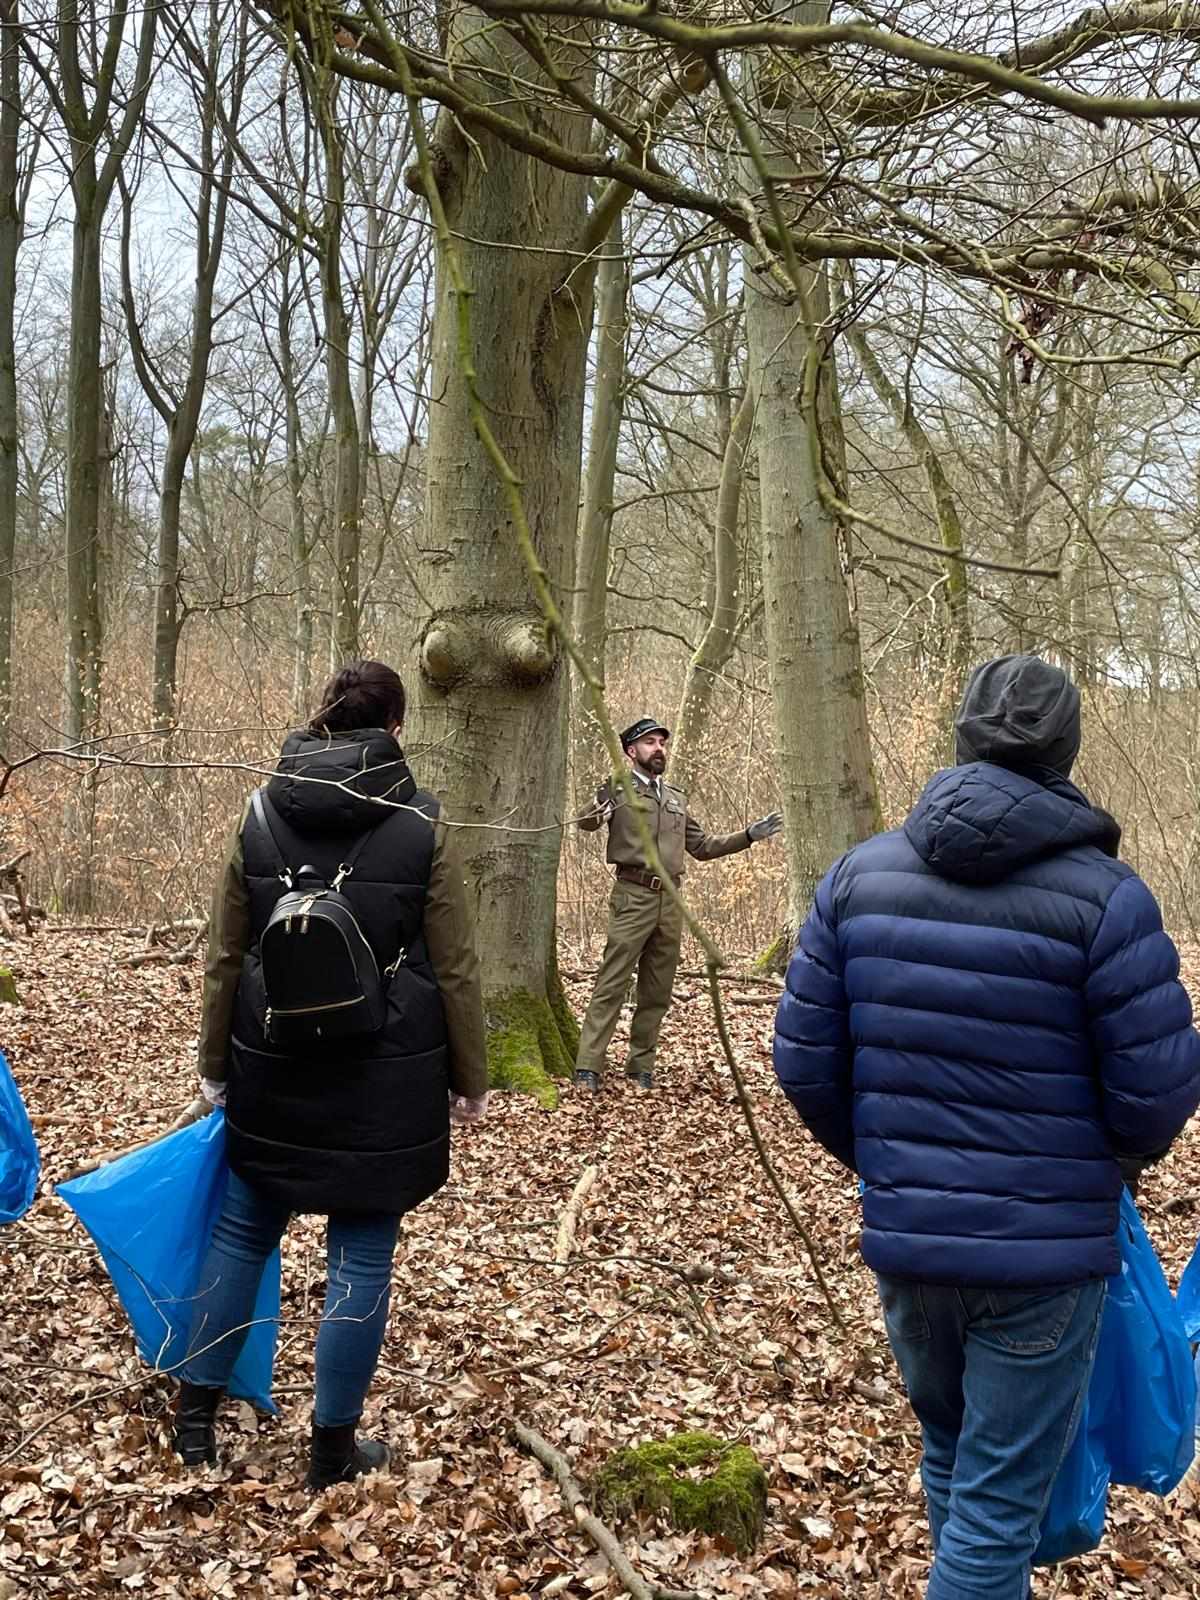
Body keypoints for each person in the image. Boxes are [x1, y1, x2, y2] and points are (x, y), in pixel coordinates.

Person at [772, 655, 1200, 1599]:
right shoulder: (1107, 898)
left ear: (965, 737)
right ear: (1067, 751)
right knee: (998, 1512)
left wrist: (892, 1163)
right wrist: (1102, 1168)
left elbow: (805, 1063)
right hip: (1043, 1260)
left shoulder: (858, 878)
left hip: (915, 1246)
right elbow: (1161, 1087)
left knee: (959, 1472)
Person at [171, 660, 488, 1489]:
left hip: (271, 1060)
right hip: (385, 1076)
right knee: (361, 1258)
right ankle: (330, 1451)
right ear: (395, 729)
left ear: (322, 718)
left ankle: (194, 1420)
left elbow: (224, 957)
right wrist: (471, 1078)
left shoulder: (259, 812)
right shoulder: (422, 823)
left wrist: (213, 1069)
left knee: (242, 1235)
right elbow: (455, 968)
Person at [574, 716, 782, 1092]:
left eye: (662, 743)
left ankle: (641, 1067)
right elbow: (585, 823)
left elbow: (702, 847)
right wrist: (597, 804)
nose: (658, 749)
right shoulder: (617, 790)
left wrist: (748, 835)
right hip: (632, 894)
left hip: (670, 901)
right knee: (612, 983)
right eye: (650, 743)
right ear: (631, 751)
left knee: (657, 988)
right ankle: (589, 1066)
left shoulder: (675, 798)